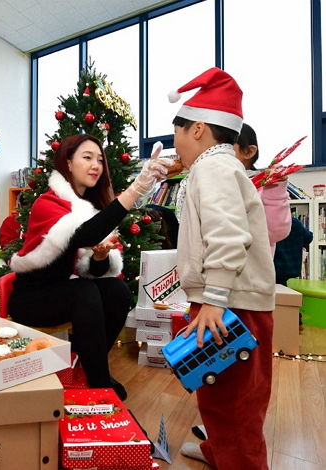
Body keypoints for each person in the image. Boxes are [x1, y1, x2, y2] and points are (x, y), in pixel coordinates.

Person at [7, 134, 173, 400]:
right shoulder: (47, 203)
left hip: (63, 291)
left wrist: (98, 257)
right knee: (84, 292)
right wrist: (137, 188)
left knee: (116, 289)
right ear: (68, 164)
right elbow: (82, 234)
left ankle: (93, 365)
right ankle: (99, 384)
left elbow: (92, 267)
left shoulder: (89, 209)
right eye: (87, 158)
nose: (96, 165)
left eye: (99, 159)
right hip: (30, 298)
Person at [169, 68, 275, 470]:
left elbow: (227, 236)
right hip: (228, 301)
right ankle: (221, 451)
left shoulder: (212, 169)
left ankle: (240, 461)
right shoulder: (217, 167)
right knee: (221, 394)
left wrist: (214, 299)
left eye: (176, 133)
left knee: (234, 402)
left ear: (197, 129)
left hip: (229, 306)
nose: (174, 143)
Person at [234, 123, 291, 254]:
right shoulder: (212, 180)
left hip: (252, 269)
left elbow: (277, 231)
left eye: (226, 147)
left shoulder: (263, 184)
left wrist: (276, 189)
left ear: (249, 151)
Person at [274, 216, 313, 285]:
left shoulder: (268, 222)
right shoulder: (295, 222)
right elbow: (309, 237)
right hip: (290, 269)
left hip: (274, 268)